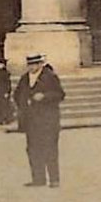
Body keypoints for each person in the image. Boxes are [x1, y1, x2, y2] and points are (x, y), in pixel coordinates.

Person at [14, 55, 65, 188]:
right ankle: (38, 179)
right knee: (33, 150)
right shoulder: (25, 78)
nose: (31, 67)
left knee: (50, 149)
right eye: (29, 65)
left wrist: (45, 96)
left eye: (34, 64)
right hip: (31, 121)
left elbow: (60, 94)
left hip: (48, 120)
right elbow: (17, 94)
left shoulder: (50, 77)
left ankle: (54, 179)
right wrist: (23, 106)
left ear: (40, 64)